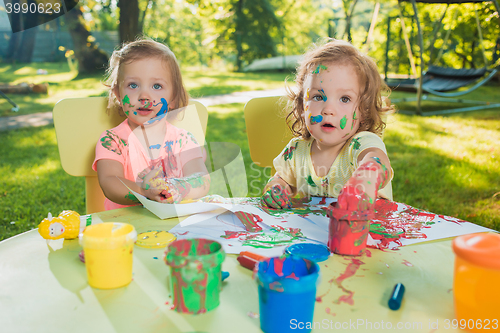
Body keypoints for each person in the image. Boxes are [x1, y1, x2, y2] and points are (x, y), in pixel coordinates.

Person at [261, 39, 395, 212]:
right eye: (318, 97)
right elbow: (280, 180)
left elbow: (377, 162)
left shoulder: (362, 144)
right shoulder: (296, 151)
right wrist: (277, 189)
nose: (328, 110)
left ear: (364, 112)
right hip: (317, 235)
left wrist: (365, 180)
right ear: (302, 107)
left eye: (345, 99)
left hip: (367, 233)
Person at [93, 38, 209, 210]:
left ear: (173, 97)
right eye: (133, 85)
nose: (144, 96)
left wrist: (177, 187)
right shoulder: (113, 141)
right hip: (125, 229)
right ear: (118, 94)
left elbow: (201, 179)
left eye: (156, 86)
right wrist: (142, 191)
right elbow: (109, 182)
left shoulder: (183, 141)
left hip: (174, 228)